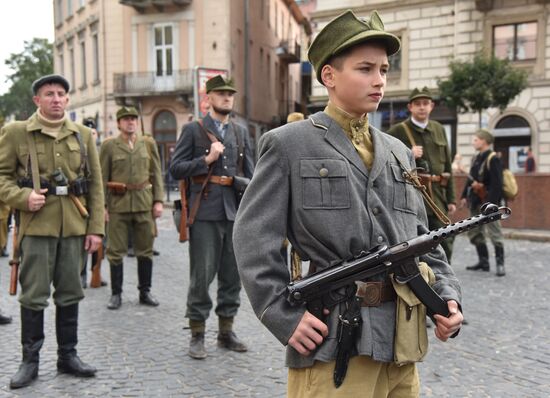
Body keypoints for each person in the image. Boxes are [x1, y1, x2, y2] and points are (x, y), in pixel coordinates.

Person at [233, 10, 463, 397]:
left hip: (401, 346)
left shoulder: (399, 152)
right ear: (329, 76)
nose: (379, 80)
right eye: (365, 68)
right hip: (336, 342)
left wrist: (448, 295)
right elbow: (253, 237)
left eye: (384, 70)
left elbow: (425, 240)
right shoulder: (289, 144)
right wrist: (281, 313)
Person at [0, 74, 104, 389]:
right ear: (37, 100)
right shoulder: (17, 133)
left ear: (67, 99)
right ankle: (29, 361)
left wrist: (96, 229)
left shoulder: (83, 135)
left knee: (71, 292)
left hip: (74, 227)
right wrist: (22, 197)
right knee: (33, 296)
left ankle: (67, 356)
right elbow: (1, 177)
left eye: (61, 93)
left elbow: (96, 186)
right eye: (49, 94)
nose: (56, 98)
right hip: (36, 228)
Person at [170, 75, 255, 360]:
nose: (227, 98)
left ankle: (226, 331)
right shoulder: (194, 130)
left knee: (232, 276)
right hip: (204, 212)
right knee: (202, 275)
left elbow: (252, 175)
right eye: (221, 94)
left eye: (230, 94)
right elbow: (176, 169)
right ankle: (197, 333)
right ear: (208, 99)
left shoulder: (242, 132)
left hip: (234, 212)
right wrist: (206, 160)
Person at [100, 106, 164, 310]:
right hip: (118, 205)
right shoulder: (109, 146)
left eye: (133, 119)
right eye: (126, 119)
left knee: (145, 250)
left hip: (143, 204)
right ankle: (116, 294)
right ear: (119, 123)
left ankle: (145, 291)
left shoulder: (147, 143)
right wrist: (102, 206)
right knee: (115, 251)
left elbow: (156, 173)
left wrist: (158, 200)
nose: (130, 122)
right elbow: (101, 178)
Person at [388, 87, 456, 261]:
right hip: (412, 193)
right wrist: (409, 153)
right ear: (410, 107)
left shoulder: (438, 129)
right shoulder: (398, 131)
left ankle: (444, 274)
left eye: (425, 103)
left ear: (431, 106)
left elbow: (447, 163)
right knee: (417, 238)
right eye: (417, 104)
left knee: (446, 235)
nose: (422, 107)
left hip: (438, 195)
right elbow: (385, 160)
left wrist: (451, 198)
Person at [460, 128, 506, 277]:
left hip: (489, 202)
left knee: (495, 233)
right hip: (475, 200)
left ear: (484, 141)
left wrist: (491, 205)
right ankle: (484, 262)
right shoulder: (476, 158)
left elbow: (497, 184)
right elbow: (470, 178)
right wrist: (463, 196)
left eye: (476, 139)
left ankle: (500, 264)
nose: (474, 142)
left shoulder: (493, 158)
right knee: (475, 232)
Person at [79, 118, 107, 288]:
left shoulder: (102, 150)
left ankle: (96, 272)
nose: (92, 135)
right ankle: (81, 274)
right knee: (83, 242)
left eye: (94, 133)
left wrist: (105, 207)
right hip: (82, 202)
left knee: (100, 242)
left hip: (99, 203)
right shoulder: (80, 150)